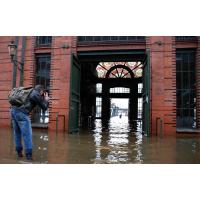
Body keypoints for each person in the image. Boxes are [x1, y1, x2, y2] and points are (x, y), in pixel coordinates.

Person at [10, 85, 49, 160]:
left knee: (17, 133)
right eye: (42, 93)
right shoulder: (36, 94)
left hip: (13, 111)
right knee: (27, 134)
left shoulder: (29, 91)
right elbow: (44, 108)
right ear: (41, 91)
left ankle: (19, 153)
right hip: (22, 113)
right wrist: (46, 99)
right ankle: (28, 156)